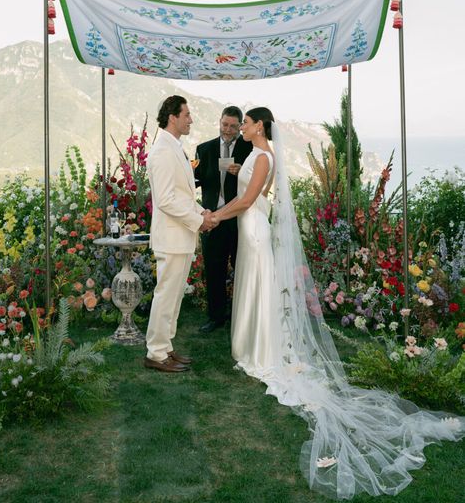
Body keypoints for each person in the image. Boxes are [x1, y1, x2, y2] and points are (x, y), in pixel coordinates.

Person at [210, 107, 465, 500]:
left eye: (245, 122)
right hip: (250, 231)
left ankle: (260, 349)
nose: (241, 126)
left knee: (257, 289)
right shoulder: (255, 156)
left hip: (255, 231)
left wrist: (214, 216)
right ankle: (251, 343)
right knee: (251, 288)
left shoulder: (262, 157)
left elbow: (247, 201)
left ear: (259, 125)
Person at [144, 95, 212, 373]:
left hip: (181, 237)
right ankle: (156, 353)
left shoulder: (175, 147)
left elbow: (182, 195)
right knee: (165, 295)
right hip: (172, 237)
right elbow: (166, 200)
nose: (191, 119)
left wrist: (202, 211)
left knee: (174, 296)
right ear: (173, 117)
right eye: (187, 115)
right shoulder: (161, 150)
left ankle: (166, 347)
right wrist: (198, 221)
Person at [194, 106, 252, 333]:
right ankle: (215, 316)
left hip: (239, 218)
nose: (228, 130)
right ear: (219, 122)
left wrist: (243, 172)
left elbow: (258, 180)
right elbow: (195, 180)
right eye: (224, 125)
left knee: (243, 267)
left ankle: (242, 316)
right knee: (214, 269)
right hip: (213, 218)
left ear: (240, 126)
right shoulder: (203, 149)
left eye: (233, 126)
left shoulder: (250, 149)